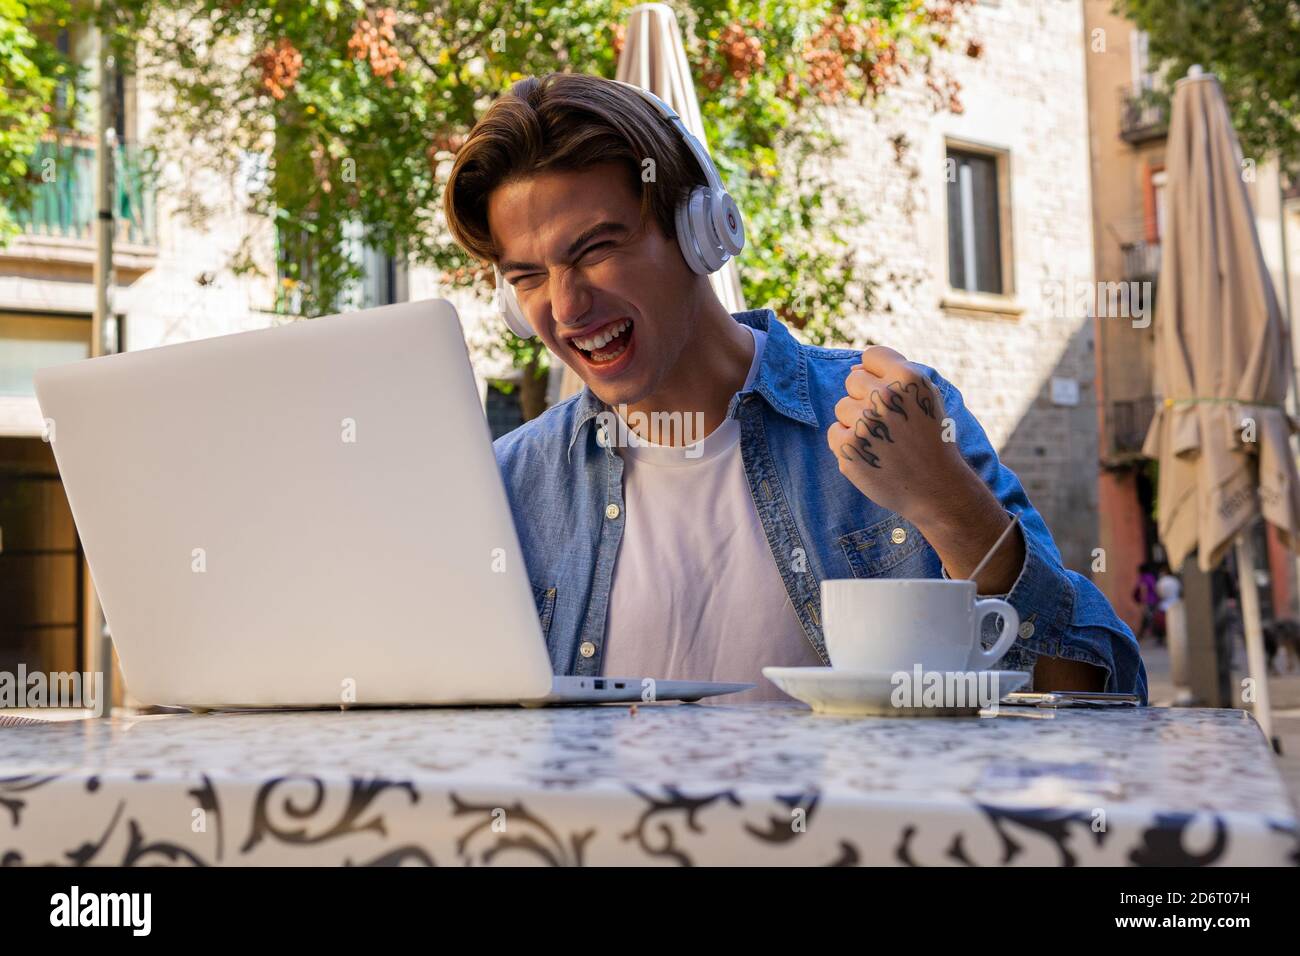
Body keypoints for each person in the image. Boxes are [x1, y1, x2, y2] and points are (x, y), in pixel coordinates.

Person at [443, 72, 1147, 704]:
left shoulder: (893, 413)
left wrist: (946, 500)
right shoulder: (508, 482)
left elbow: (1098, 696)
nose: (566, 309)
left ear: (701, 231)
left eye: (595, 250)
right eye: (527, 277)